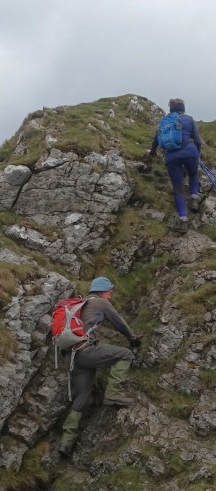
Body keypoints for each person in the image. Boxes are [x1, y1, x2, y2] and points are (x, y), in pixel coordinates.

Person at [58, 277, 141, 458]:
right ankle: (113, 394)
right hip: (86, 351)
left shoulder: (81, 304)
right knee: (125, 354)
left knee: (82, 395)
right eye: (109, 291)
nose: (110, 295)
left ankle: (66, 441)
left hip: (72, 357)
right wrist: (133, 338)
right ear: (103, 291)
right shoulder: (101, 303)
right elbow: (119, 322)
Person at [148, 98, 202, 234]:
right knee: (193, 174)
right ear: (183, 108)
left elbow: (156, 140)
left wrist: (152, 152)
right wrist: (197, 153)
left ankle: (183, 221)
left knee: (178, 189)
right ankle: (194, 198)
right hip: (190, 152)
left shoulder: (165, 122)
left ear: (171, 108)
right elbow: (198, 141)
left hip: (171, 157)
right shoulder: (189, 119)